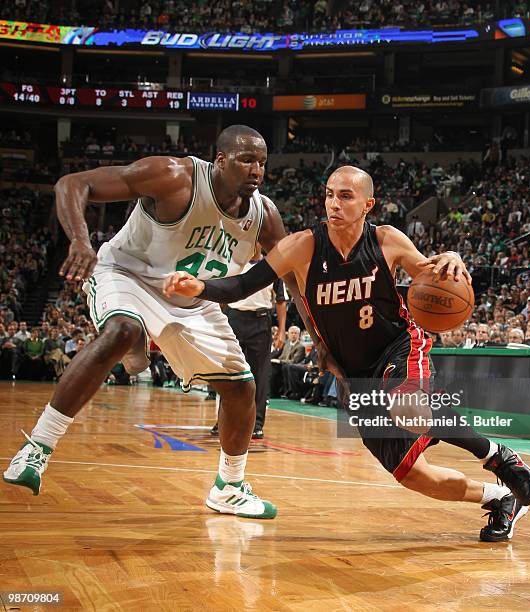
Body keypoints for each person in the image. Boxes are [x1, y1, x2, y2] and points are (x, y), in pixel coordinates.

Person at [164, 165, 530, 542]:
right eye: (329, 194)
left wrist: (454, 257)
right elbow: (244, 284)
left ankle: (498, 456)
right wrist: (200, 287)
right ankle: (500, 498)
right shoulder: (302, 246)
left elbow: (434, 274)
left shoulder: (388, 240)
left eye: (345, 196)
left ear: (367, 205)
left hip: (398, 346)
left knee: (408, 404)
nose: (334, 203)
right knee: (414, 475)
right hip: (352, 371)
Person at [3, 125, 320, 520]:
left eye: (262, 162)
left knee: (242, 391)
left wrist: (319, 337)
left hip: (190, 298)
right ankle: (37, 448)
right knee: (124, 329)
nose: (257, 169)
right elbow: (73, 183)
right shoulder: (175, 176)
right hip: (127, 275)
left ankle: (229, 488)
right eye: (246, 159)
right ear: (220, 161)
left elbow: (293, 277)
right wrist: (80, 242)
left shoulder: (265, 215)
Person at [217, 243, 287, 439]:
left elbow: (281, 301)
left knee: (260, 375)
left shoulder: (272, 266)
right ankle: (223, 419)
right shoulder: (234, 265)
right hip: (234, 318)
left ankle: (257, 423)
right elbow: (222, 298)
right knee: (228, 373)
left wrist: (281, 331)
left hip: (260, 322)